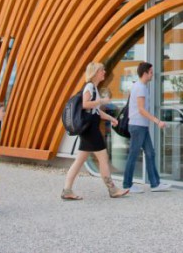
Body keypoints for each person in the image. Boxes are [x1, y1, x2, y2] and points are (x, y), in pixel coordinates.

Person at [61, 62, 128, 200]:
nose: (104, 72)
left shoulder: (94, 88)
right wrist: (102, 101)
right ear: (95, 72)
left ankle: (67, 191)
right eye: (102, 70)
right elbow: (86, 105)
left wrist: (111, 118)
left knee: (79, 161)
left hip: (89, 129)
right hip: (90, 130)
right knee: (103, 158)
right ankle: (112, 189)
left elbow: (95, 112)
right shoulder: (90, 86)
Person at [123, 62, 170, 193]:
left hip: (141, 126)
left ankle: (155, 184)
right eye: (150, 72)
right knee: (133, 155)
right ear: (145, 73)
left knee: (150, 153)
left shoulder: (140, 86)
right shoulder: (140, 88)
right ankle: (127, 185)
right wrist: (157, 121)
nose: (152, 74)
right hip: (138, 126)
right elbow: (141, 110)